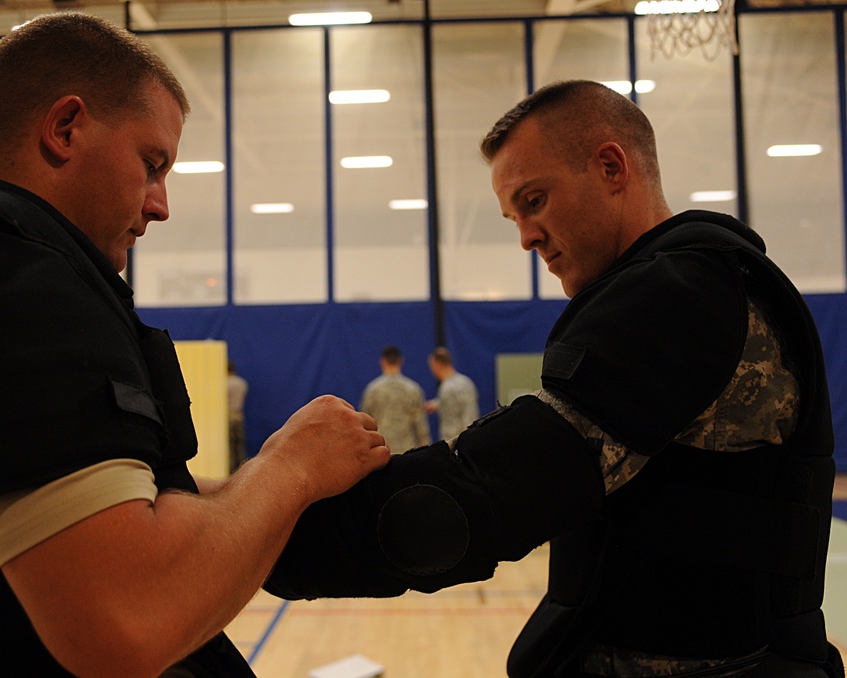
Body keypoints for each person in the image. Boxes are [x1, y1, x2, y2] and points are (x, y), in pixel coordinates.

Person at [0, 13, 389, 678]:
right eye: (151, 163)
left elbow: (122, 508)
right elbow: (127, 623)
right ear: (66, 127)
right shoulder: (7, 286)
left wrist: (266, 481)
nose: (160, 204)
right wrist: (292, 466)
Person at [265, 80, 843, 677]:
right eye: (515, 216)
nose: (525, 238)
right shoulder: (703, 284)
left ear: (612, 167)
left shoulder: (680, 294)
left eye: (535, 201)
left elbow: (498, 489)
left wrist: (266, 529)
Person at [360, 345, 431, 454]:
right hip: (407, 453)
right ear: (400, 361)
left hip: (381, 452)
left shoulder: (372, 391)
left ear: (382, 362)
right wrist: (427, 454)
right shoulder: (413, 389)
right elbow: (421, 428)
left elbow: (365, 426)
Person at [425, 346, 479, 442]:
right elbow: (460, 406)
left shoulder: (446, 388)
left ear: (438, 364)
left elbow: (451, 416)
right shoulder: (466, 382)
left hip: (454, 441)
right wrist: (435, 405)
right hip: (471, 437)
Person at [227, 360, 249, 473]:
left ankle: (231, 471)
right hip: (239, 415)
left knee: (229, 444)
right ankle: (242, 469)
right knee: (239, 444)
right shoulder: (242, 383)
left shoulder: (225, 384)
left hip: (228, 416)